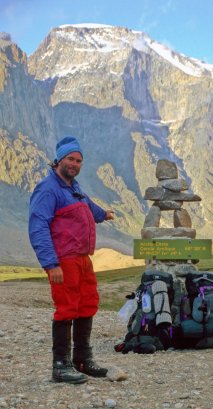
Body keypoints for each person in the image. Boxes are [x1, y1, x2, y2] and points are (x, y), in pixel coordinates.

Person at [29, 136, 114, 384]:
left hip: (82, 258)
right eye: (70, 159)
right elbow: (38, 226)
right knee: (66, 307)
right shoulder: (48, 189)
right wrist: (50, 263)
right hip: (63, 260)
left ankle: (82, 360)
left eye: (78, 160)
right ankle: (60, 365)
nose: (75, 164)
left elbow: (89, 207)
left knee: (87, 304)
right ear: (59, 160)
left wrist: (104, 215)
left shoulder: (73, 188)